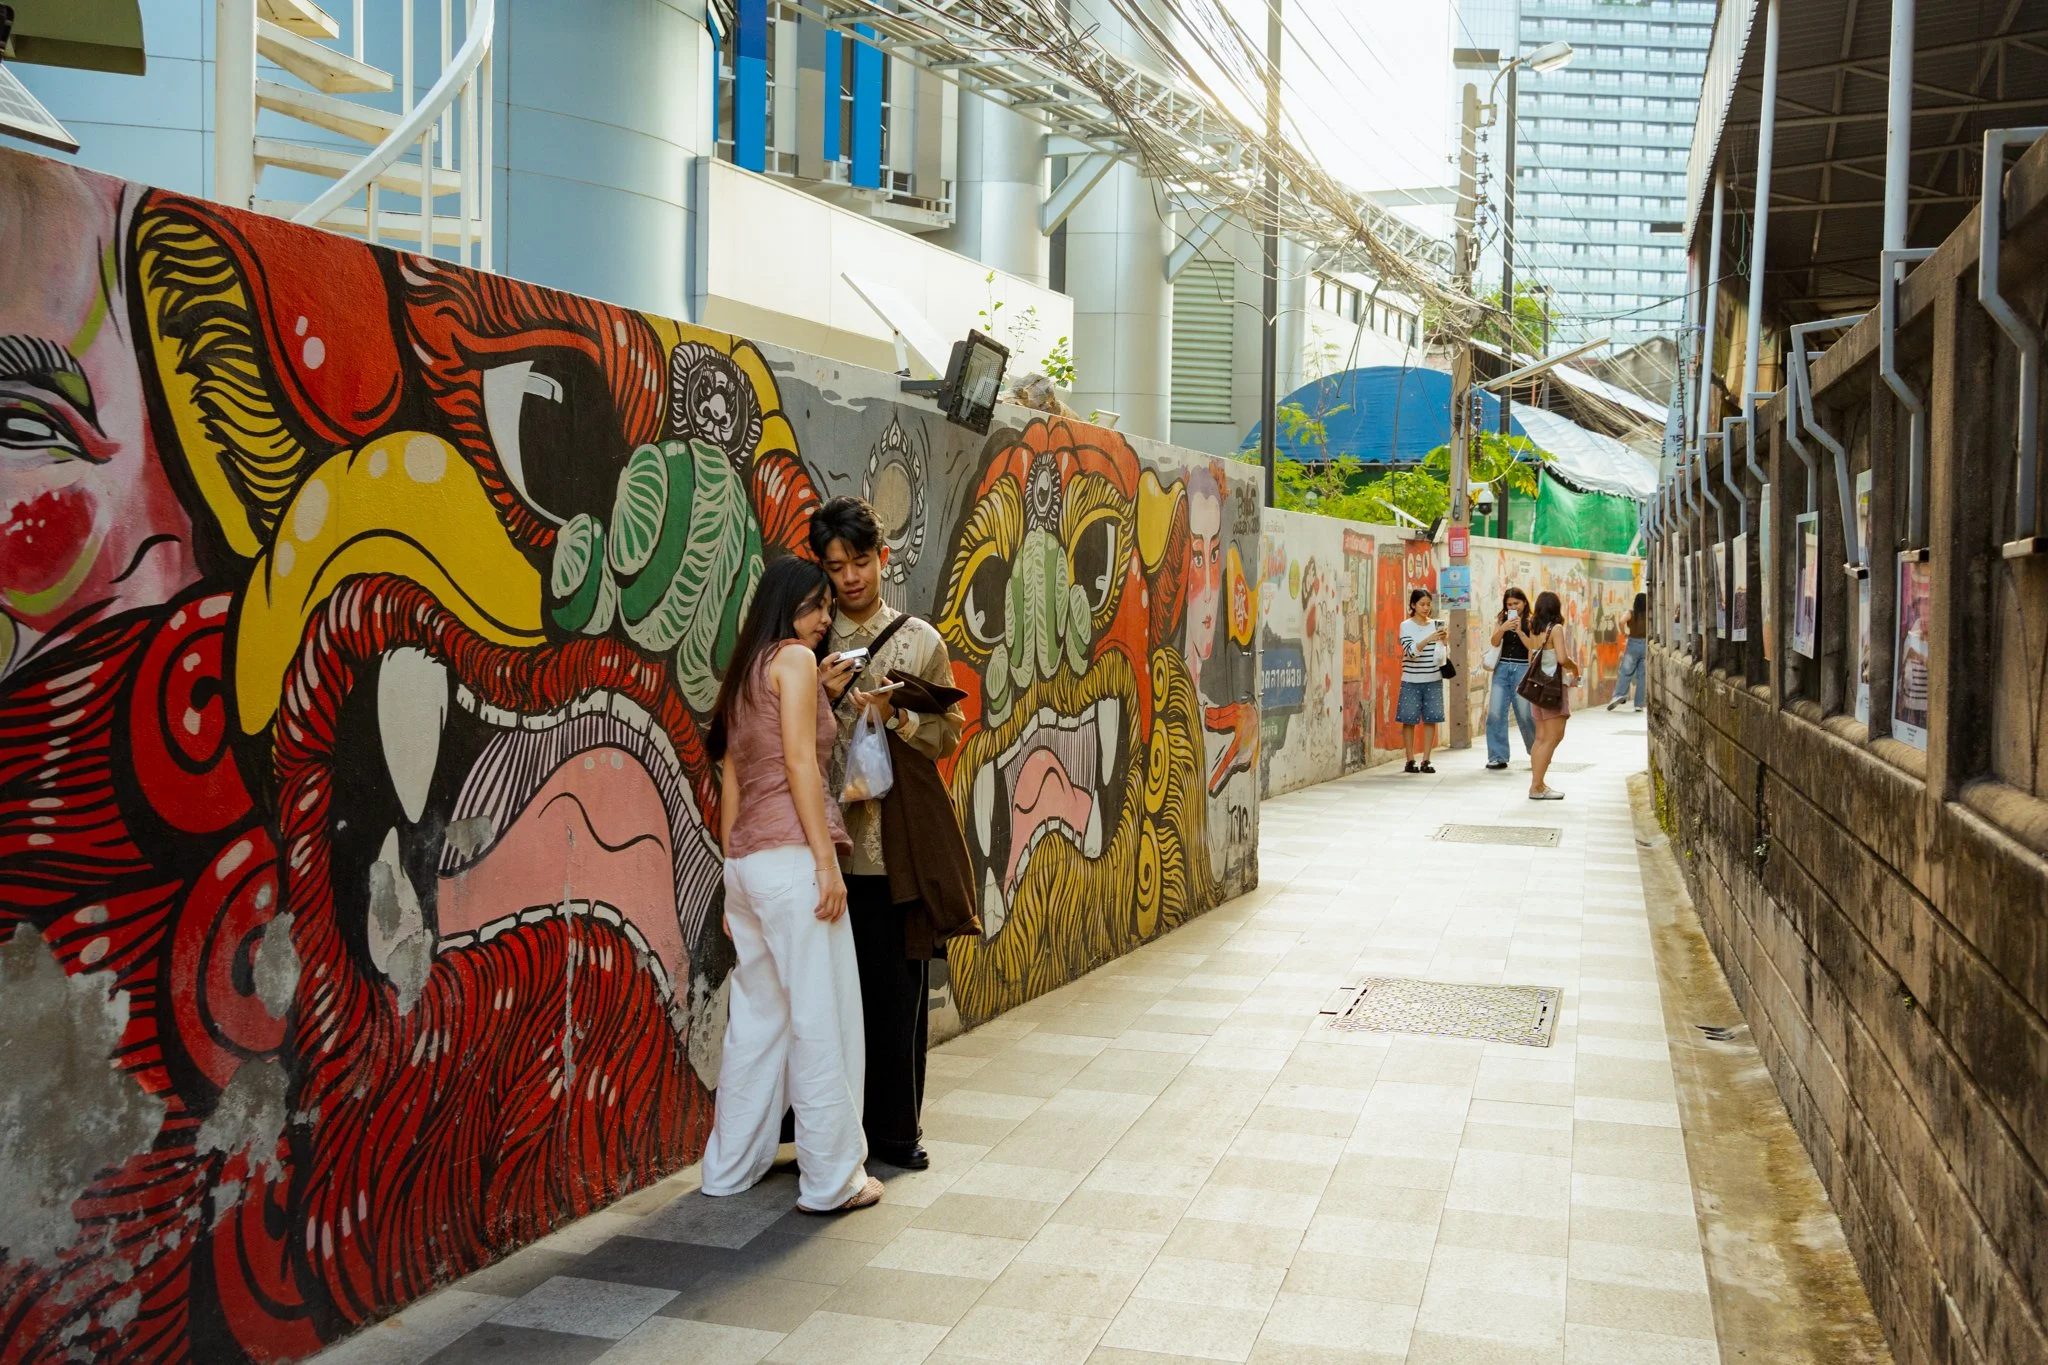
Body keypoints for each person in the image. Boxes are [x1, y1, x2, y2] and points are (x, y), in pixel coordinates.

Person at [701, 556, 881, 1215]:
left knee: (758, 1023)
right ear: (786, 606)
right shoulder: (796, 663)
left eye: (828, 607)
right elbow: (802, 763)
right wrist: (825, 863)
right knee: (822, 1016)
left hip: (748, 867)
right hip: (791, 860)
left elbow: (735, 778)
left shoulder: (746, 674)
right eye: (814, 606)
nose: (825, 618)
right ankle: (833, 1179)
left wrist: (729, 879)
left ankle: (726, 1168)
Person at [810, 497, 965, 1173]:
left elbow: (946, 736)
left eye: (861, 561)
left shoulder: (919, 641)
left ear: (884, 555)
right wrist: (818, 689)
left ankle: (897, 1135)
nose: (849, 578)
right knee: (830, 1004)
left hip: (893, 850)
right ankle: (829, 1134)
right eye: (836, 565)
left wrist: (897, 718)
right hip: (824, 852)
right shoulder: (809, 640)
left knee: (898, 999)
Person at [1521, 590, 1582, 801]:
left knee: (1540, 738)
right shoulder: (1555, 628)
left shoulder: (1533, 627)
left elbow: (1531, 657)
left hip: (1536, 688)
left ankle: (1537, 784)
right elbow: (1562, 658)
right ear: (1556, 609)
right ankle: (1536, 787)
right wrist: (1575, 668)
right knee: (1554, 737)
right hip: (1552, 689)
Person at [1397, 588, 1449, 774]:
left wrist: (1444, 641)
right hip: (1411, 679)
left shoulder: (1436, 624)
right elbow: (1411, 652)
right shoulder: (1406, 626)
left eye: (1428, 604)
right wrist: (1429, 638)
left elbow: (1441, 655)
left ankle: (1426, 759)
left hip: (1433, 677)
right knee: (1408, 720)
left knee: (1431, 719)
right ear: (1413, 605)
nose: (1426, 608)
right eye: (1422, 604)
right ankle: (1410, 759)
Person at [1485, 588, 1537, 770]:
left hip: (1522, 668)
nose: (1513, 607)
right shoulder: (1501, 619)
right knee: (1495, 712)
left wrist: (1521, 631)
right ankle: (1497, 756)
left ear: (1524, 603)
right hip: (1502, 668)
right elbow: (1494, 642)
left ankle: (1536, 752)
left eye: (1516, 603)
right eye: (1509, 604)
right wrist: (1503, 628)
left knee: (1525, 713)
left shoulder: (1532, 621)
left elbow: (1532, 646)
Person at [1607, 592, 1649, 711]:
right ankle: (1639, 704)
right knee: (1642, 675)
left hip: (1633, 644)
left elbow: (1621, 622)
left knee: (1625, 671)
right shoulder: (1649, 615)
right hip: (1645, 645)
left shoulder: (1631, 613)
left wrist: (1623, 632)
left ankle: (1619, 694)